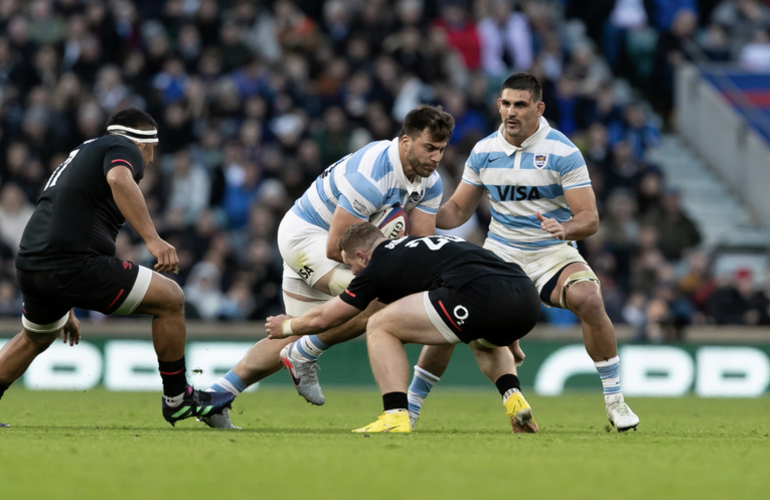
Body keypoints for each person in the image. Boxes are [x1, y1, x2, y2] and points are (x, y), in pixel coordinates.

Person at [406, 73, 640, 432]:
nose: (511, 111)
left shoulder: (563, 152)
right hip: (501, 255)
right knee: (450, 315)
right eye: (505, 103)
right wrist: (418, 212)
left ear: (539, 108)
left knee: (589, 298)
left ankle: (615, 400)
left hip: (551, 253)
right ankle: (409, 407)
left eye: (520, 104)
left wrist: (566, 229)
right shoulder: (484, 151)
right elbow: (457, 212)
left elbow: (590, 218)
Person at [200, 105, 454, 428]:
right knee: (375, 300)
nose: (436, 158)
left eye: (441, 150)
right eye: (429, 148)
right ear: (405, 142)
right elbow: (337, 248)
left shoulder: (430, 182)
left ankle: (215, 397)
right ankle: (306, 354)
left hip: (333, 243)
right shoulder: (371, 177)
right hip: (307, 238)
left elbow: (418, 247)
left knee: (293, 333)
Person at [0, 108, 234, 428]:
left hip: (32, 262)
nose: (151, 159)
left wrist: (64, 301)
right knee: (170, 298)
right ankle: (178, 398)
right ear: (144, 142)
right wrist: (152, 239)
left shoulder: (83, 152)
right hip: (73, 263)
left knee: (34, 338)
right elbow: (118, 178)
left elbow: (62, 215)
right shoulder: (123, 146)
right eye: (153, 149)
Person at [265, 223, 540, 433]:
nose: (354, 273)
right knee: (478, 338)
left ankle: (395, 414)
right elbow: (491, 279)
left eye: (350, 265)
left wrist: (287, 326)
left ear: (361, 256)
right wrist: (512, 341)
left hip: (478, 296)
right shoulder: (427, 243)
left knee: (379, 324)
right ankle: (514, 399)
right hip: (525, 297)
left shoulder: (378, 265)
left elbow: (327, 317)